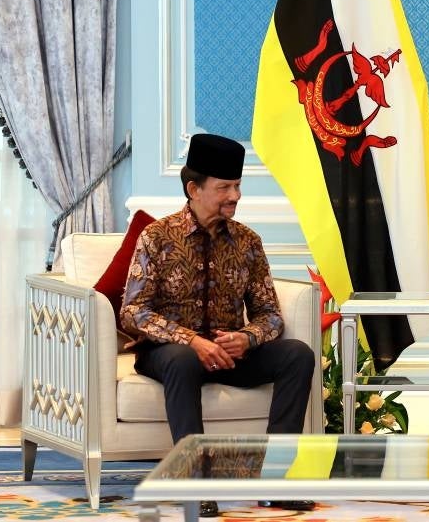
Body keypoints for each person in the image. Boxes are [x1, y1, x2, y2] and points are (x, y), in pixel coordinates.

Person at [120, 133, 316, 518]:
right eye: (224, 187)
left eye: (238, 186)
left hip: (230, 354)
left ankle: (275, 479)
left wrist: (246, 338)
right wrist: (192, 340)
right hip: (169, 355)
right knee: (181, 359)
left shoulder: (248, 242)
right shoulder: (156, 238)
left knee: (298, 354)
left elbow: (270, 314)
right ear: (194, 188)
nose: (235, 196)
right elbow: (133, 312)